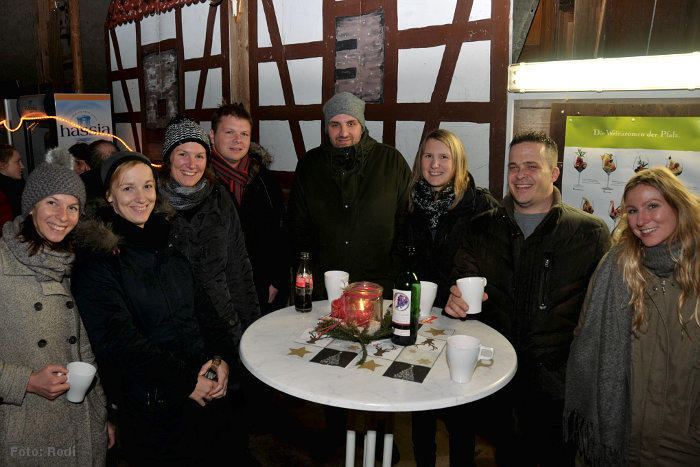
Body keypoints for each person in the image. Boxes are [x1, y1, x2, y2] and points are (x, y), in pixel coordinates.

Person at [444, 131, 611, 465]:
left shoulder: (589, 234)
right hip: (495, 378)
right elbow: (460, 281)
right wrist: (455, 300)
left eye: (532, 166)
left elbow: (602, 317)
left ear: (555, 172)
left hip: (555, 391)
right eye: (513, 167)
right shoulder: (481, 227)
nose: (520, 175)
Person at [70, 151, 237, 464]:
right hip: (152, 409)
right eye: (128, 188)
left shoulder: (168, 243)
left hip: (204, 395)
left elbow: (205, 312)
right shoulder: (97, 263)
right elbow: (120, 343)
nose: (141, 197)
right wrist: (187, 382)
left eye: (147, 186)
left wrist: (220, 358)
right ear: (109, 196)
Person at [565, 167, 699, 465]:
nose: (642, 220)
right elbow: (585, 338)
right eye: (633, 210)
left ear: (678, 205)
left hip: (683, 445)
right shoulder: (615, 266)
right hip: (616, 437)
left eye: (653, 206)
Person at [0, 147, 110, 464]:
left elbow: (86, 350)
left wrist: (102, 415)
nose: (63, 217)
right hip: (25, 429)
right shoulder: (4, 263)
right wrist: (27, 381)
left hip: (82, 424)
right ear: (31, 206)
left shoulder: (77, 262)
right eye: (52, 203)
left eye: (72, 207)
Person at [408, 129, 498, 466]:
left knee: (461, 407)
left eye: (444, 157)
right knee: (420, 403)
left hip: (463, 320)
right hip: (422, 318)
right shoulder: (410, 203)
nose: (435, 164)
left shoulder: (480, 204)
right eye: (428, 156)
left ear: (458, 162)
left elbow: (494, 261)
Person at [288, 91, 412, 299]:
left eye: (351, 123)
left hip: (378, 287)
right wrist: (308, 274)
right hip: (325, 288)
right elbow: (297, 227)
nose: (343, 132)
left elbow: (407, 224)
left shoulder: (391, 162)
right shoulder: (309, 165)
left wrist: (394, 274)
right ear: (326, 128)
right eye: (335, 124)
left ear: (362, 125)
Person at [159, 114, 259, 347]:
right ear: (168, 158)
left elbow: (238, 267)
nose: (191, 164)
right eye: (182, 154)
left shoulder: (219, 197)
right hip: (175, 332)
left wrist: (251, 327)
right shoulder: (149, 203)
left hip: (223, 321)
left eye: (199, 156)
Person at [209, 103, 290, 313]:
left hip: (262, 288)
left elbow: (281, 233)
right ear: (212, 136)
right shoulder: (202, 182)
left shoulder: (264, 179)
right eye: (229, 132)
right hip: (216, 294)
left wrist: (277, 280)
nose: (238, 140)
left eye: (244, 134)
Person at [0, 143, 25, 232]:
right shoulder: (4, 195)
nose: (22, 166)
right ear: (2, 165)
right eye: (17, 162)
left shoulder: (19, 185)